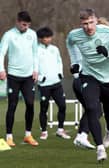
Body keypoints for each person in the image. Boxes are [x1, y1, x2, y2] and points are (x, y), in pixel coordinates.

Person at [66, 8, 109, 161]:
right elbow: (70, 44)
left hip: (108, 80)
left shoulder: (107, 32)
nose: (88, 27)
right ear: (81, 24)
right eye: (84, 24)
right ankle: (100, 149)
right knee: (91, 108)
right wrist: (75, 63)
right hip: (89, 76)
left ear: (96, 20)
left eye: (91, 22)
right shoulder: (74, 35)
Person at [0, 11, 38, 146]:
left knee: (30, 104)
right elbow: (1, 52)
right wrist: (1, 69)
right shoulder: (9, 35)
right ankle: (9, 137)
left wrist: (36, 70)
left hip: (28, 77)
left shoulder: (32, 34)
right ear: (17, 22)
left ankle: (28, 135)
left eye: (28, 25)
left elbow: (35, 53)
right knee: (12, 105)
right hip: (13, 76)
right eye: (23, 24)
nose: (26, 27)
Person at [73, 17, 109, 150]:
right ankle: (81, 135)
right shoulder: (86, 42)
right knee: (94, 109)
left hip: (84, 79)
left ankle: (82, 135)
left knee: (94, 110)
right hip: (82, 79)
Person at [36, 27, 71, 140]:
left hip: (56, 83)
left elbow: (59, 61)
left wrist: (60, 73)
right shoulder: (35, 50)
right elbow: (33, 66)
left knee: (62, 105)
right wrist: (40, 78)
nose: (48, 39)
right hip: (44, 84)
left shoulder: (55, 49)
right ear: (40, 39)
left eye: (49, 37)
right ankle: (44, 131)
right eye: (46, 37)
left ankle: (60, 130)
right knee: (44, 108)